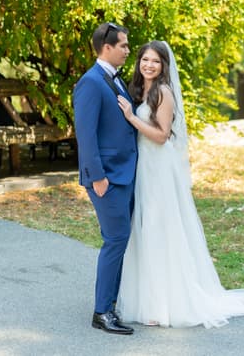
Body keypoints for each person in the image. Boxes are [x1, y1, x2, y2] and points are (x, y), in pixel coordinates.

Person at [115, 41, 244, 328]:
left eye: (155, 62)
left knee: (161, 229)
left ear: (163, 67)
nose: (149, 65)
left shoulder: (163, 92)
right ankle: (148, 298)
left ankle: (165, 305)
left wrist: (131, 118)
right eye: (145, 59)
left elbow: (161, 136)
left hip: (159, 168)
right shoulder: (140, 89)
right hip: (144, 168)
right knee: (146, 229)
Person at [73, 22, 137, 335]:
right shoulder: (90, 82)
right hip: (106, 178)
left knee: (119, 239)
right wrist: (97, 177)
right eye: (123, 45)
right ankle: (102, 312)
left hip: (124, 174)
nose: (128, 50)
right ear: (106, 47)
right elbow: (85, 135)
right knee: (116, 240)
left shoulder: (115, 80)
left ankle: (112, 303)